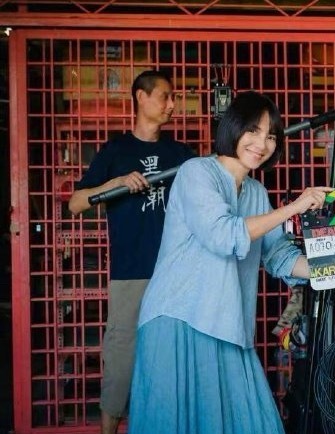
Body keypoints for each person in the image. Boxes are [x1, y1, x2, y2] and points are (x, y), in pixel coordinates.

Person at [128, 91, 335, 434]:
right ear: (233, 128)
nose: (262, 143)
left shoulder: (256, 192)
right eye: (254, 131)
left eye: (271, 136)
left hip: (227, 323)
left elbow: (279, 256)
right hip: (178, 318)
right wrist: (293, 208)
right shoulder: (197, 172)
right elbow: (223, 235)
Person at [68, 70, 195, 434]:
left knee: (171, 358)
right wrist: (116, 183)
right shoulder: (116, 151)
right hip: (130, 273)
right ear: (141, 97)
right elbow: (76, 203)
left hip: (176, 273)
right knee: (122, 356)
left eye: (174, 98)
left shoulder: (180, 155)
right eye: (165, 96)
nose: (172, 105)